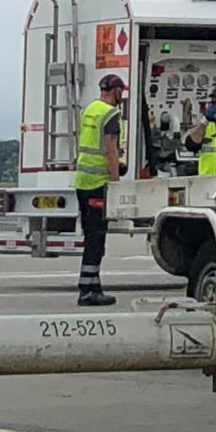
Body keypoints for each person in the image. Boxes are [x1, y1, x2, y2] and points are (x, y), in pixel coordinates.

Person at [72, 74, 129, 307]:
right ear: (115, 91)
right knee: (97, 239)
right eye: (121, 92)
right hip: (98, 184)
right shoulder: (111, 114)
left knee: (89, 236)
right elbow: (109, 151)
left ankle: (91, 285)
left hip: (82, 181)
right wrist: (115, 182)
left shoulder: (89, 110)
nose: (122, 96)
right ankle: (88, 290)